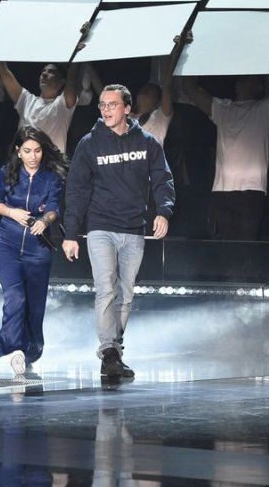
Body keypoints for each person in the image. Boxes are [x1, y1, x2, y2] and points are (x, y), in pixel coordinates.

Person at [62, 83, 175, 380]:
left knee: (126, 294)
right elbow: (76, 190)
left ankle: (114, 353)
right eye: (102, 105)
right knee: (106, 289)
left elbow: (162, 179)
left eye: (112, 104)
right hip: (100, 227)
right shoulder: (89, 144)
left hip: (134, 229)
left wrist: (163, 212)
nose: (106, 110)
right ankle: (109, 353)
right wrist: (70, 234)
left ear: (127, 108)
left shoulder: (147, 142)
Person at [182, 67, 269, 239]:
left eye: (249, 78)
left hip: (251, 191)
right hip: (222, 190)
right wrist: (194, 56)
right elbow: (189, 88)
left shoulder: (264, 109)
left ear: (259, 87)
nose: (241, 79)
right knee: (224, 247)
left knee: (245, 246)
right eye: (242, 78)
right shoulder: (222, 108)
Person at [0, 126, 70, 375]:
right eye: (27, 151)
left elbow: (54, 207)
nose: (33, 156)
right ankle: (15, 349)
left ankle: (30, 351)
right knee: (15, 297)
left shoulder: (52, 177)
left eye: (37, 150)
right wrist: (11, 212)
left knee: (35, 305)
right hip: (7, 244)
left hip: (39, 248)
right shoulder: (7, 172)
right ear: (18, 151)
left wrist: (45, 220)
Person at [0, 61, 89, 154]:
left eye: (51, 72)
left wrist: (75, 60)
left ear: (61, 82)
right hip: (24, 161)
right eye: (43, 71)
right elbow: (4, 73)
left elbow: (72, 77)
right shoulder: (26, 100)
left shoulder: (62, 105)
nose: (44, 74)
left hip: (52, 162)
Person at [135, 55, 175, 146]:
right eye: (144, 89)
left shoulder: (160, 117)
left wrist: (175, 56)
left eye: (151, 91)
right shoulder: (127, 117)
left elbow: (167, 87)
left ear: (157, 102)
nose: (146, 91)